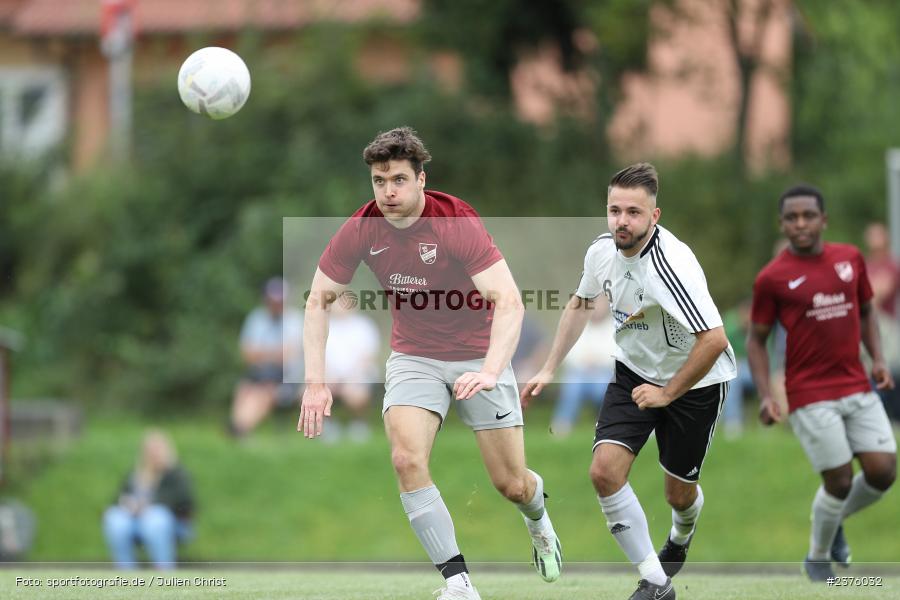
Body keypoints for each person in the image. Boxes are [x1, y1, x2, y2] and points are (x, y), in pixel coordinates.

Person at [298, 127, 561, 600]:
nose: (388, 192)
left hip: (481, 355)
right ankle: (458, 584)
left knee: (511, 485)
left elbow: (510, 301)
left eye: (398, 179)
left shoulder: (455, 222)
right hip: (414, 355)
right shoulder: (362, 227)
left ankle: (538, 515)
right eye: (379, 181)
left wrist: (490, 369)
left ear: (422, 179)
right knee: (405, 458)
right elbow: (317, 300)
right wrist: (315, 383)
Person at [522, 162, 735, 600]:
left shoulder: (671, 265)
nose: (622, 220)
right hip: (633, 373)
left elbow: (714, 340)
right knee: (604, 472)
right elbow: (581, 305)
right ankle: (656, 583)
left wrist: (667, 393)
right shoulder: (601, 251)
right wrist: (549, 367)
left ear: (654, 217)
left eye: (634, 212)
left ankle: (681, 533)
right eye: (614, 209)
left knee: (679, 494)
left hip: (695, 385)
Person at [746, 185, 897, 582]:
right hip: (810, 393)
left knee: (884, 472)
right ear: (782, 223)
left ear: (823, 220)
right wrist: (765, 396)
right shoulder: (772, 278)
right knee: (840, 479)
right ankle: (817, 557)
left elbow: (867, 312)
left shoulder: (850, 259)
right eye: (791, 217)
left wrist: (878, 359)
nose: (800, 224)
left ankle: (834, 523)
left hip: (856, 384)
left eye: (808, 216)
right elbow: (756, 341)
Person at [102, 430, 195, 569]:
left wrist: (148, 505)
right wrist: (127, 504)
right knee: (114, 517)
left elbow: (184, 501)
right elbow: (118, 498)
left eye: (158, 449)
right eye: (150, 450)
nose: (154, 453)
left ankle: (164, 572)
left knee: (156, 517)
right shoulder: (135, 474)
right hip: (135, 521)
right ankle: (126, 574)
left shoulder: (176, 473)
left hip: (170, 523)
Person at [229, 277, 303, 437]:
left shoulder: (295, 320)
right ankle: (238, 427)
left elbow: (287, 357)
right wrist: (273, 353)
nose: (276, 305)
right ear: (266, 299)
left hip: (288, 380)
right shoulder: (256, 318)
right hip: (259, 374)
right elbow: (247, 355)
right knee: (244, 388)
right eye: (273, 300)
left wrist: (261, 353)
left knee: (266, 391)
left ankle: (240, 429)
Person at [550, 301, 616, 438]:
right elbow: (569, 354)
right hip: (580, 373)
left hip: (604, 373)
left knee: (604, 388)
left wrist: (597, 360)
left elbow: (615, 354)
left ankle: (608, 425)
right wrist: (584, 361)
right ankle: (562, 425)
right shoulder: (579, 326)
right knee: (572, 386)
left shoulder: (613, 326)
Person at [323, 298, 381, 442]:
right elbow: (320, 357)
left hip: (358, 375)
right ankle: (329, 425)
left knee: (356, 394)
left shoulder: (364, 325)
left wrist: (350, 378)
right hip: (331, 376)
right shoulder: (325, 326)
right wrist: (330, 376)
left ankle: (359, 423)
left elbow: (367, 358)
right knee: (316, 391)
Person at [863, 222, 900, 422]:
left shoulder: (892, 265)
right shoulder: (866, 265)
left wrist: (870, 293)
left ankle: (890, 416)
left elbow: (879, 293)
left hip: (885, 326)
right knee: (869, 371)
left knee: (888, 369)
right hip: (866, 323)